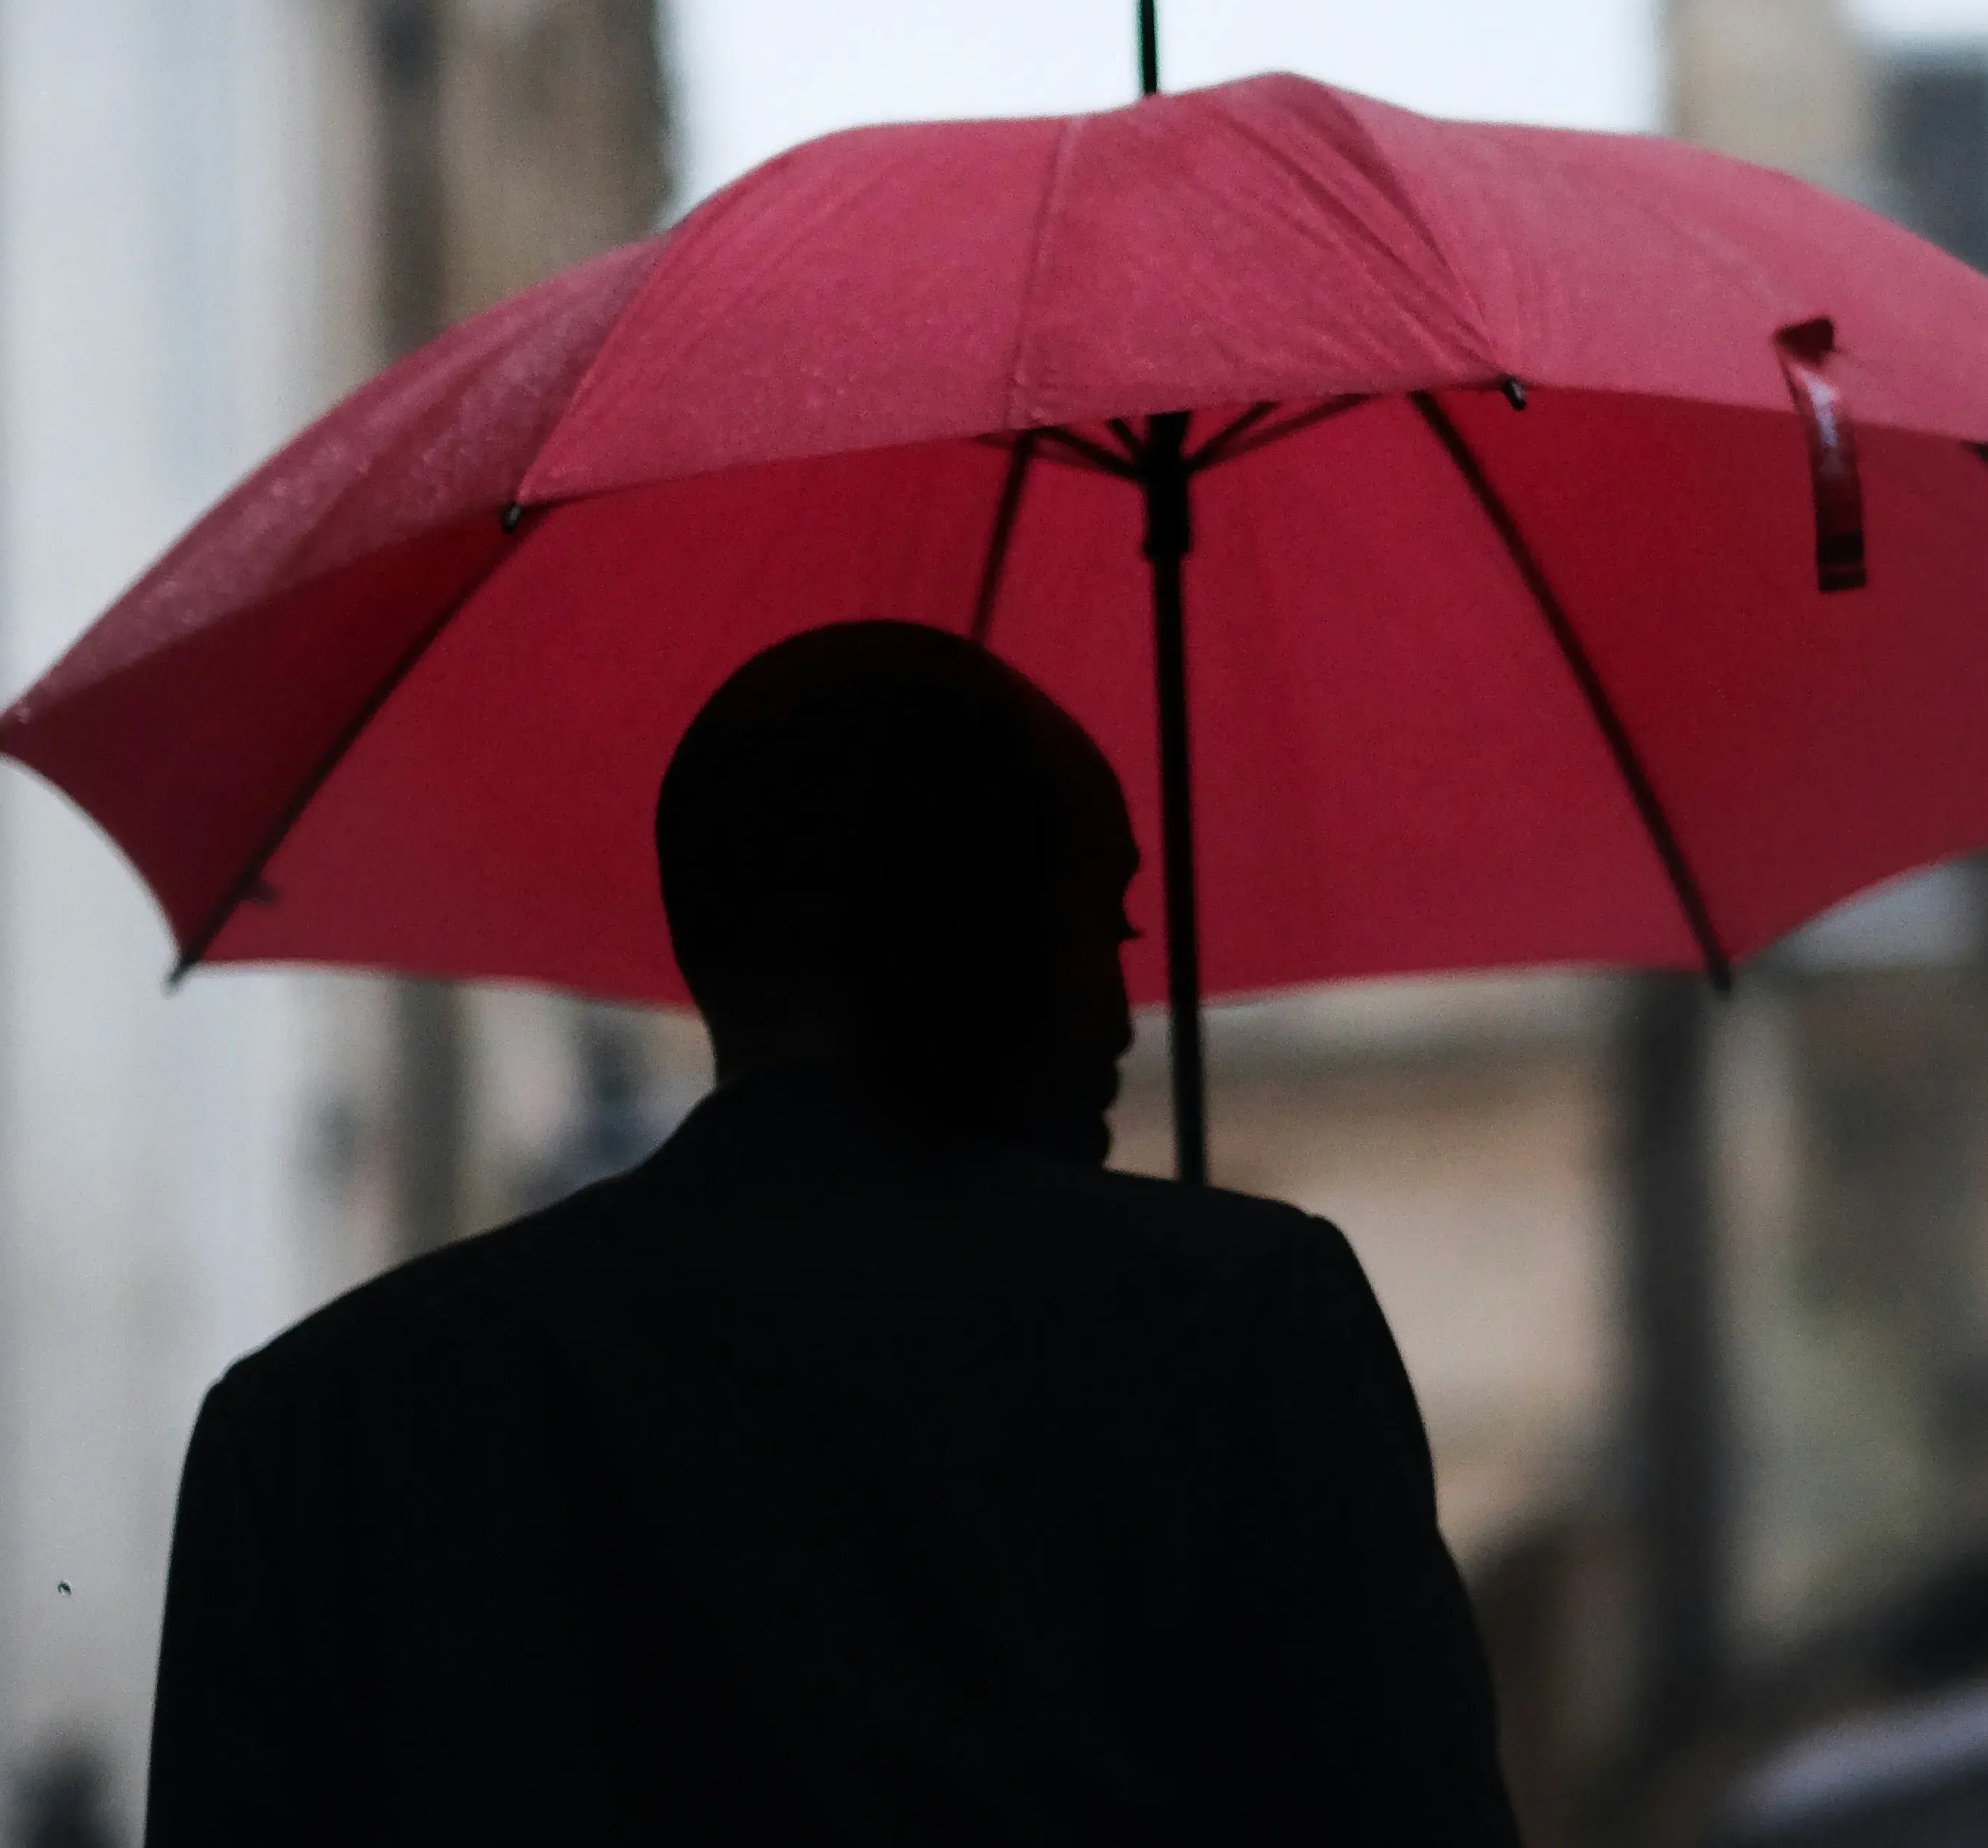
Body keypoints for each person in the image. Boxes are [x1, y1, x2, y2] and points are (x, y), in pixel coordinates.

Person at [146, 619, 1521, 1847]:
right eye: (1097, 926)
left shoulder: (318, 1432)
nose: (1118, 1016)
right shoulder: (1248, 1329)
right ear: (963, 931)